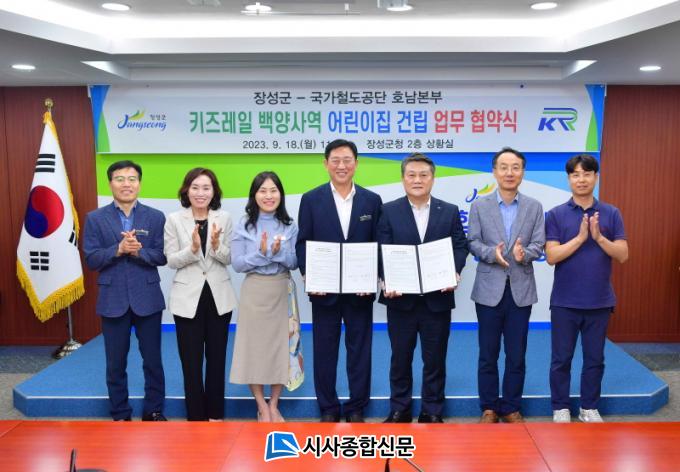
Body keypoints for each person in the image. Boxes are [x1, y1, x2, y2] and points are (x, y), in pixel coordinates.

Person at [296, 139, 382, 423]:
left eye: (347, 160)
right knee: (324, 350)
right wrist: (310, 276)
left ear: (356, 163)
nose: (341, 166)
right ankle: (328, 408)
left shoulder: (372, 200)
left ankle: (357, 407)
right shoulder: (311, 199)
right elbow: (303, 243)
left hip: (360, 292)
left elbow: (378, 244)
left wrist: (374, 277)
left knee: (360, 351)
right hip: (324, 291)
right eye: (335, 160)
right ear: (326, 164)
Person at [377, 153, 468, 423]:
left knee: (435, 358)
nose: (417, 180)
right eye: (412, 175)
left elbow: (460, 246)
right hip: (399, 299)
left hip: (437, 299)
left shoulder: (448, 210)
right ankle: (400, 409)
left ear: (432, 178)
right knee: (400, 358)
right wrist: (386, 279)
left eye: (423, 175)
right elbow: (382, 249)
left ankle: (432, 410)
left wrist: (454, 271)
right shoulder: (388, 210)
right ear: (403, 178)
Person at [546, 154, 628, 423]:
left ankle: (589, 407)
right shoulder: (556, 214)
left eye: (587, 174)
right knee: (561, 359)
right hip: (564, 302)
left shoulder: (611, 213)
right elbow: (551, 256)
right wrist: (581, 238)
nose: (581, 179)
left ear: (596, 177)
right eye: (576, 174)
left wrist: (599, 238)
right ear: (569, 179)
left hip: (599, 301)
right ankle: (560, 407)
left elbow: (623, 254)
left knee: (595, 359)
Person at [83, 160, 167, 421]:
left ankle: (154, 410)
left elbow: (162, 256)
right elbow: (92, 259)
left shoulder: (155, 217)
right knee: (115, 362)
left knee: (153, 360)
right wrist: (118, 250)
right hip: (113, 299)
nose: (126, 184)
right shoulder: (95, 218)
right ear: (110, 183)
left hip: (147, 297)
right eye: (120, 179)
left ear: (139, 184)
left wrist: (139, 252)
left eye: (132, 179)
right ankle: (120, 413)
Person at [468, 147, 545, 424]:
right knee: (487, 353)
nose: (509, 172)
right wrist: (492, 254)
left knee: (516, 354)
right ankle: (489, 407)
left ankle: (511, 407)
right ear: (494, 171)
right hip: (489, 290)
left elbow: (539, 243)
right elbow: (472, 242)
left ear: (522, 172)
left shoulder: (534, 207)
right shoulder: (480, 206)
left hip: (520, 290)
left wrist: (526, 254)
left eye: (515, 167)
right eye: (503, 167)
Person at [164, 168, 237, 421]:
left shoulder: (224, 218)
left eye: (206, 188)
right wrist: (193, 249)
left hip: (219, 297)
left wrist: (215, 246)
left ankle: (216, 414)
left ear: (214, 191)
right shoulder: (174, 219)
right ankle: (195, 416)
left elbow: (230, 258)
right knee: (191, 362)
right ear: (186, 190)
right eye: (195, 187)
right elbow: (171, 260)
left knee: (217, 360)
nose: (200, 193)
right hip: (187, 299)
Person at [229, 171, 300, 423]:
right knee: (254, 349)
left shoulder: (290, 225)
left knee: (281, 348)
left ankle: (274, 404)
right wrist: (261, 254)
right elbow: (238, 264)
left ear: (280, 194)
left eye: (273, 190)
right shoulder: (244, 225)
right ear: (254, 195)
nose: (268, 196)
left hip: (281, 289)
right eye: (263, 191)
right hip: (254, 291)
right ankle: (261, 406)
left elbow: (294, 262)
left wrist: (277, 253)